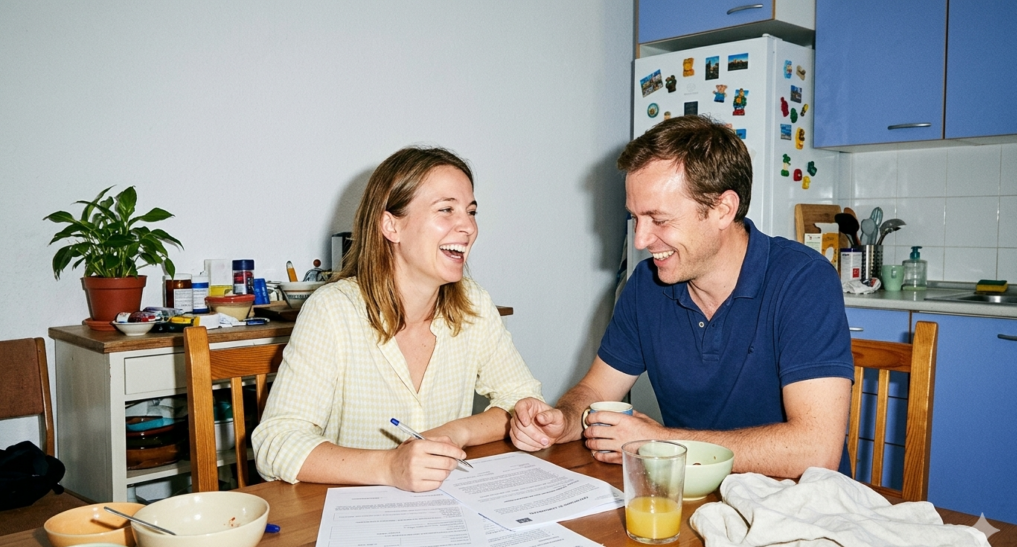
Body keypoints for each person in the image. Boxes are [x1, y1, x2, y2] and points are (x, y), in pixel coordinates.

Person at [510, 115, 853, 479]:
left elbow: (816, 449)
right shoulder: (647, 286)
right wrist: (563, 420)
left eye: (659, 219)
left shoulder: (803, 280)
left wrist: (662, 444)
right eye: (636, 218)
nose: (640, 241)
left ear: (723, 209)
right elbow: (596, 388)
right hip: (688, 499)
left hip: (795, 508)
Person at [253, 146, 544, 492]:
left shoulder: (474, 304)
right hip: (353, 518)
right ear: (391, 225)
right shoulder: (332, 310)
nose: (468, 226)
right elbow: (276, 442)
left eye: (471, 211)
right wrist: (390, 466)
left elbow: (522, 399)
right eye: (446, 209)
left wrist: (457, 431)